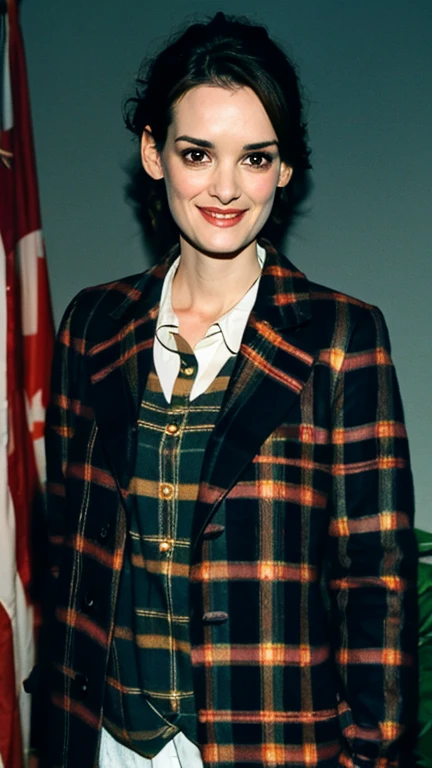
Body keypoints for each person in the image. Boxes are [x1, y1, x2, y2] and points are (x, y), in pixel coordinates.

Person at [28, 11, 418, 768]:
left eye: (256, 157)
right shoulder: (92, 326)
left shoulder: (342, 338)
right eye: (198, 153)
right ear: (153, 153)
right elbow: (69, 553)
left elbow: (378, 586)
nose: (227, 188)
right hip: (108, 744)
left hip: (273, 746)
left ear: (286, 169)